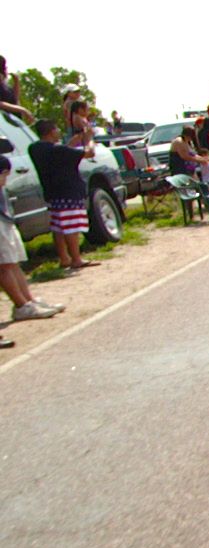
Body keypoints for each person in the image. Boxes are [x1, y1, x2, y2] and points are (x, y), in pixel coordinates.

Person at [0, 137, 65, 337]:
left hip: (4, 215)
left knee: (13, 261)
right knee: (4, 264)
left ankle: (28, 300)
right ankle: (21, 305)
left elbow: (7, 145)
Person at [27, 119, 97, 272]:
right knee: (71, 227)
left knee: (58, 227)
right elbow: (89, 153)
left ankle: (64, 258)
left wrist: (71, 144)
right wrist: (89, 139)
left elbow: (61, 156)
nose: (59, 131)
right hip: (68, 192)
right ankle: (76, 259)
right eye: (56, 129)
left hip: (52, 193)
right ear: (51, 131)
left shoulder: (35, 149)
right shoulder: (59, 150)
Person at [0, 56, 32, 123]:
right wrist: (23, 110)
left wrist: (16, 83)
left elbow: (15, 99)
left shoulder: (5, 86)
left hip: (13, 122)